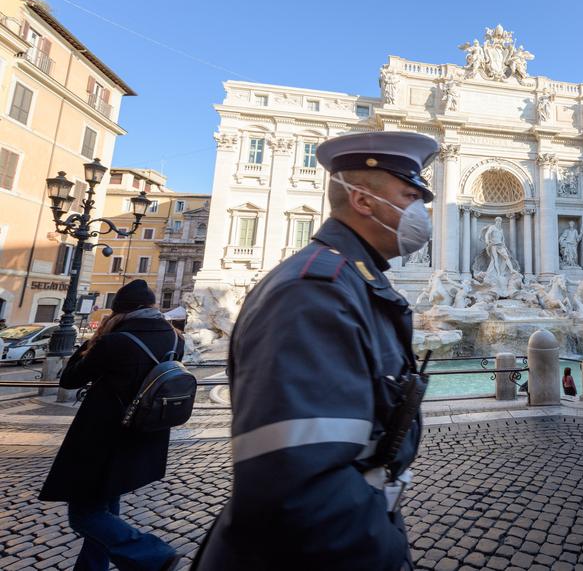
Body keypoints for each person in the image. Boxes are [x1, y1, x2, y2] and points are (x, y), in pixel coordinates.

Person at [194, 131, 439, 570]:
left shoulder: (353, 281)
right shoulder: (314, 291)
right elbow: (299, 484)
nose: (421, 211)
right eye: (410, 195)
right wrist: (386, 553)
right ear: (363, 201)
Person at [39, 279, 183, 571]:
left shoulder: (115, 342)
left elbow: (70, 380)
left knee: (85, 515)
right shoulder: (176, 339)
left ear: (119, 311)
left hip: (101, 439)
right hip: (141, 437)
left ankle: (153, 554)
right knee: (106, 507)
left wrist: (90, 344)